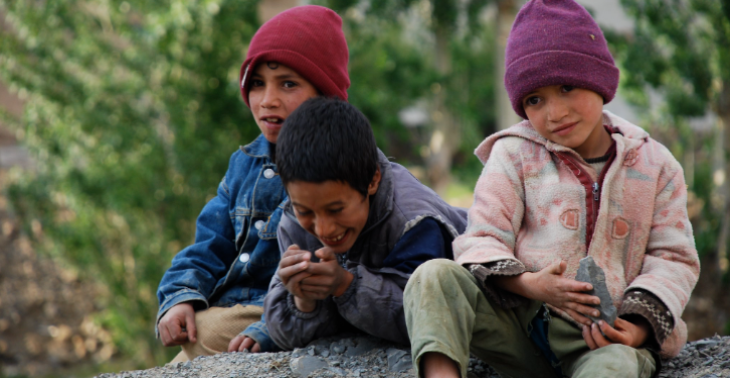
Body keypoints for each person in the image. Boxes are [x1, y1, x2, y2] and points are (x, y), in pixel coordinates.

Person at [403, 1, 700, 377]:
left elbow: (673, 257)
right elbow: (481, 237)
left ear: (599, 80)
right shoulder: (513, 156)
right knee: (433, 276)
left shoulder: (654, 166)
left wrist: (638, 325)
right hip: (522, 326)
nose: (554, 112)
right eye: (535, 100)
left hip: (602, 339)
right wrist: (529, 285)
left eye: (566, 87)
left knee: (618, 365)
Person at [155, 5, 350, 361]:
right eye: (257, 84)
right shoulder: (244, 163)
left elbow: (344, 267)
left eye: (288, 84)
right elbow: (210, 244)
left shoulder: (341, 165)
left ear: (326, 94)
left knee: (206, 335)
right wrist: (180, 295)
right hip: (229, 308)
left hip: (290, 309)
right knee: (193, 339)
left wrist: (267, 328)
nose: (267, 100)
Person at [263, 97, 468, 350]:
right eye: (306, 211)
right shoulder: (295, 220)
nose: (323, 229)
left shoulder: (412, 223)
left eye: (336, 209)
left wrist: (346, 286)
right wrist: (303, 300)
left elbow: (431, 320)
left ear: (372, 181)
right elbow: (285, 337)